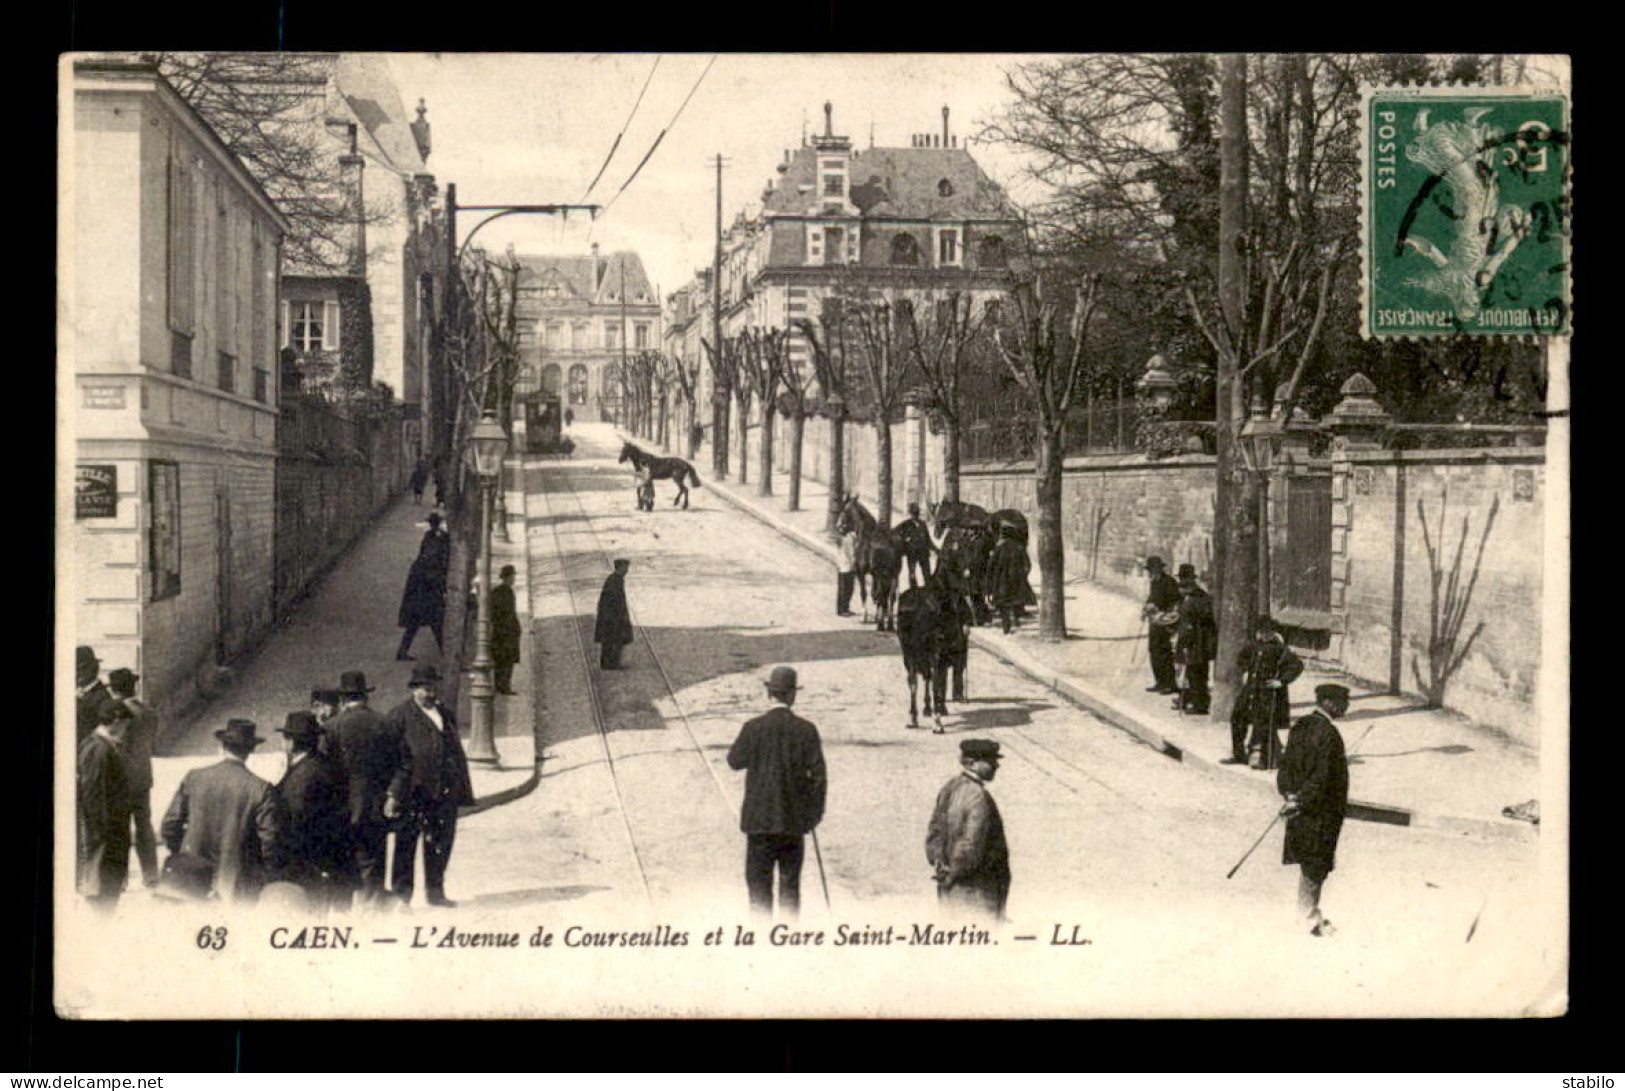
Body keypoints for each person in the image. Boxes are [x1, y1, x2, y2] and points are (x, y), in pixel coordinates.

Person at [725, 666, 827, 918]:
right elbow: (819, 779)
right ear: (793, 695)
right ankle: (788, 942)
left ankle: (761, 943)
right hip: (793, 823)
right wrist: (812, 816)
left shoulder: (753, 728)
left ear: (770, 694)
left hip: (759, 824)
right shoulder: (806, 730)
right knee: (790, 887)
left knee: (759, 889)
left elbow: (734, 761)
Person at [160, 719, 285, 904]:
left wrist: (182, 852)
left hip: (191, 876)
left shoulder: (194, 777)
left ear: (223, 746)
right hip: (236, 882)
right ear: (251, 750)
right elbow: (270, 840)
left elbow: (170, 825)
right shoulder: (261, 788)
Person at [384, 665, 473, 908]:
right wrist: (393, 793)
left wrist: (459, 787)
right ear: (413, 690)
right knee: (406, 843)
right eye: (425, 688)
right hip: (413, 792)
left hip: (443, 791)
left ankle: (435, 892)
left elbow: (453, 749)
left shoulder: (445, 713)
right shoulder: (399, 716)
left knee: (440, 843)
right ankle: (402, 897)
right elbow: (390, 758)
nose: (430, 693)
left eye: (433, 687)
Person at [1278, 683, 1352, 937]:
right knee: (1316, 864)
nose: (1346, 707)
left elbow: (1286, 764)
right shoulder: (1329, 734)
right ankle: (1307, 918)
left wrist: (1289, 795)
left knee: (1309, 861)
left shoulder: (1301, 725)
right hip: (1320, 810)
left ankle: (1307, 913)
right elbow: (1323, 777)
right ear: (1329, 703)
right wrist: (1302, 799)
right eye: (1344, 702)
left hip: (1300, 805)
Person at [324, 670, 398, 908]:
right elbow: (404, 763)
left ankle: (343, 916)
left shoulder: (330, 727)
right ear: (366, 697)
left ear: (343, 699)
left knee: (342, 863)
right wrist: (392, 794)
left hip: (341, 809)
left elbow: (322, 769)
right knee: (372, 864)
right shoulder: (384, 722)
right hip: (375, 808)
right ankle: (370, 915)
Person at [926, 738, 1011, 921]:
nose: (996, 765)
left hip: (949, 887)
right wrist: (955, 872)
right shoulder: (978, 796)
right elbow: (970, 843)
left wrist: (938, 861)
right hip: (976, 889)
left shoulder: (950, 786)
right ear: (972, 763)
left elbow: (935, 830)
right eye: (990, 761)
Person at [275, 711, 350, 909]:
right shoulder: (324, 764)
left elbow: (295, 814)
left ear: (291, 742)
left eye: (285, 737)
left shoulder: (304, 774)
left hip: (308, 857)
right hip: (328, 854)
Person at [1227, 615, 1304, 770]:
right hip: (1250, 690)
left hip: (1267, 693)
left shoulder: (1279, 648)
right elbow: (1241, 658)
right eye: (1260, 631)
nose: (1262, 635)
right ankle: (1238, 753)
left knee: (1263, 724)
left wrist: (1281, 681)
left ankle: (1262, 758)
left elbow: (1296, 665)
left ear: (1272, 632)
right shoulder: (1253, 646)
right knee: (1237, 716)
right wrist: (1245, 670)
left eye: (1265, 632)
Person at [78, 703, 135, 910]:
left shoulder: (101, 745)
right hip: (105, 838)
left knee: (108, 893)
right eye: (124, 726)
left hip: (109, 835)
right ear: (116, 722)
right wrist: (102, 835)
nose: (125, 731)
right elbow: (93, 796)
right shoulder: (98, 749)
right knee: (103, 897)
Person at [106, 668, 160, 889]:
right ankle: (150, 874)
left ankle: (121, 878)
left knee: (120, 830)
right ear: (133, 686)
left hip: (121, 781)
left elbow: (116, 747)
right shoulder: (149, 712)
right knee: (144, 826)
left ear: (114, 690)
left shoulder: (118, 715)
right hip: (143, 777)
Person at [1172, 565, 1217, 716]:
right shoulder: (1190, 598)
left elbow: (1193, 622)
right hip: (1192, 639)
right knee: (1190, 671)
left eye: (1184, 584)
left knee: (1196, 672)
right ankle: (1187, 698)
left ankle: (1200, 704)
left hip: (1197, 641)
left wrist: (1185, 640)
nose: (1182, 587)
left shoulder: (1197, 599)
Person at [396, 536, 448, 662]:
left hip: (418, 603)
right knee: (437, 628)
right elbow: (432, 581)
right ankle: (448, 655)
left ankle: (402, 652)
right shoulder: (426, 565)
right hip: (426, 603)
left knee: (414, 628)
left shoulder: (420, 563)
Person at [1142, 556, 1181, 695]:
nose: (1150, 573)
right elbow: (1151, 598)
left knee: (1164, 653)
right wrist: (1145, 608)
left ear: (1159, 569)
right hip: (1154, 622)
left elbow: (1175, 602)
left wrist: (1165, 614)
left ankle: (1170, 684)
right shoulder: (1154, 582)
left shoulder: (1169, 582)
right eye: (1149, 570)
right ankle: (1159, 681)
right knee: (1153, 651)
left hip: (1165, 622)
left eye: (1152, 569)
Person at [988, 527, 1032, 635]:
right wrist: (1023, 574)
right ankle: (1016, 619)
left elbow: (991, 565)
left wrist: (991, 577)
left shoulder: (999, 548)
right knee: (1016, 599)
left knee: (1004, 603)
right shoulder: (1019, 547)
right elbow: (1027, 564)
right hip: (1016, 579)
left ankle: (1006, 625)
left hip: (1003, 579)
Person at [594, 559, 634, 670]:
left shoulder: (616, 579)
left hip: (610, 615)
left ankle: (608, 663)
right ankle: (611, 664)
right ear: (620, 568)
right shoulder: (615, 580)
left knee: (611, 639)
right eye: (626, 567)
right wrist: (619, 616)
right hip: (612, 616)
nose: (627, 570)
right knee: (614, 639)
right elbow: (614, 600)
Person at [491, 564, 522, 695]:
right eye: (512, 576)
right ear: (508, 577)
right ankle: (504, 686)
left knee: (500, 659)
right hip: (507, 631)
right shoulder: (507, 592)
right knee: (507, 660)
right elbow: (509, 613)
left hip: (499, 630)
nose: (513, 579)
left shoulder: (496, 591)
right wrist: (515, 628)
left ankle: (499, 684)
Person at [75, 645, 115, 745]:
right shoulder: (76, 691)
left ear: (94, 669)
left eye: (82, 669)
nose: (77, 674)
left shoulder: (101, 697)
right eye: (75, 669)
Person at [895, 502, 935, 589]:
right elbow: (895, 533)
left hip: (924, 554)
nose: (915, 515)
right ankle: (914, 594)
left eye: (917, 513)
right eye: (914, 513)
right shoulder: (906, 524)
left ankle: (928, 592)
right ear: (911, 514)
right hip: (912, 553)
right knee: (912, 575)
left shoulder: (923, 524)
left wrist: (936, 550)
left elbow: (928, 540)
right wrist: (905, 540)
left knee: (927, 575)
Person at [835, 527, 858, 618]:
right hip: (847, 566)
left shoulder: (843, 538)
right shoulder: (848, 539)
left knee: (844, 589)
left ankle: (843, 609)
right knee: (847, 589)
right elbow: (850, 553)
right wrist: (854, 564)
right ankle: (843, 610)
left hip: (842, 566)